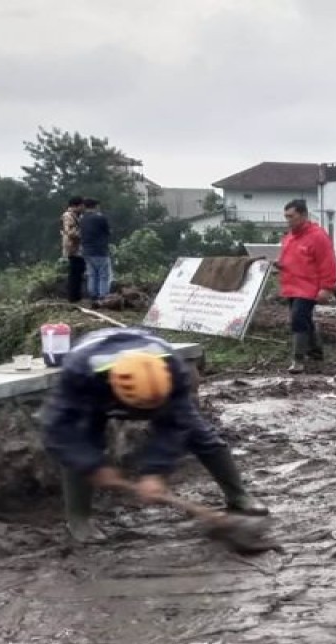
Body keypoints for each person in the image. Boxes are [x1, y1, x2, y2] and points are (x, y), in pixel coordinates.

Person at [42, 327, 269, 543]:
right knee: (84, 441)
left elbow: (175, 426)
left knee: (200, 434)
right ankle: (79, 519)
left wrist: (154, 472)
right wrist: (91, 465)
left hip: (151, 371)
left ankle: (238, 495)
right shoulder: (80, 375)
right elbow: (57, 429)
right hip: (94, 393)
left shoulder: (174, 370)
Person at [277, 199, 336, 374]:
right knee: (303, 319)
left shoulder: (317, 236)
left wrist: (327, 287)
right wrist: (279, 265)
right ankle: (316, 352)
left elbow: (328, 263)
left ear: (303, 215)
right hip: (292, 285)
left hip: (308, 287)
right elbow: (290, 260)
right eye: (286, 217)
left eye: (291, 216)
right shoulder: (289, 238)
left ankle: (298, 359)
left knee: (298, 318)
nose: (288, 220)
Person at [78, 198, 113, 306]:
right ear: (96, 206)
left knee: (92, 274)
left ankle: (93, 295)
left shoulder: (82, 219)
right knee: (103, 275)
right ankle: (103, 297)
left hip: (87, 251)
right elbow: (108, 232)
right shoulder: (100, 218)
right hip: (100, 250)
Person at [61, 196, 86, 303]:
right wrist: (83, 234)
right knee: (75, 272)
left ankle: (76, 295)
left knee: (79, 271)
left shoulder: (76, 215)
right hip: (73, 247)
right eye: (81, 205)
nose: (83, 208)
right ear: (76, 205)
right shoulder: (68, 216)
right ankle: (73, 296)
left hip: (76, 247)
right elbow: (70, 232)